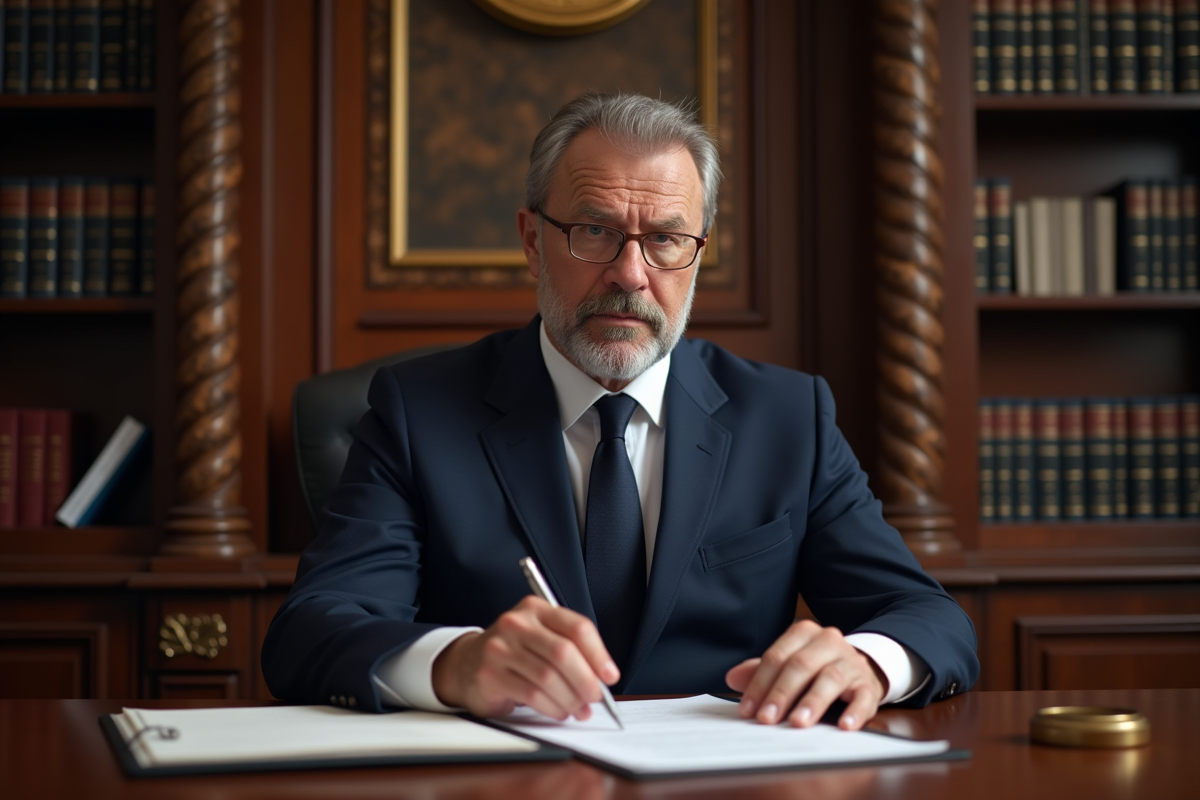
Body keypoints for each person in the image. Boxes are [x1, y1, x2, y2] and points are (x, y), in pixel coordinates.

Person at [262, 93, 978, 731]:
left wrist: (870, 662)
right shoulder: (417, 411)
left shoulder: (789, 416)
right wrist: (456, 664)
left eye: (666, 239)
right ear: (532, 239)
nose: (631, 275)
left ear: (698, 254)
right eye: (595, 231)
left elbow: (931, 619)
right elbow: (311, 631)